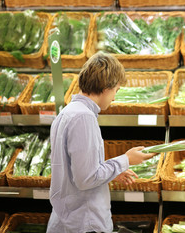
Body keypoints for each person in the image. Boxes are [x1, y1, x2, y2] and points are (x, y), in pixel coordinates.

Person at [46, 52, 156, 233]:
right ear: (106, 88)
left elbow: (78, 170)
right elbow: (86, 179)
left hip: (67, 219)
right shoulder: (84, 118)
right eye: (116, 91)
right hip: (84, 222)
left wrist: (112, 172)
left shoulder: (67, 113)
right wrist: (126, 160)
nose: (114, 98)